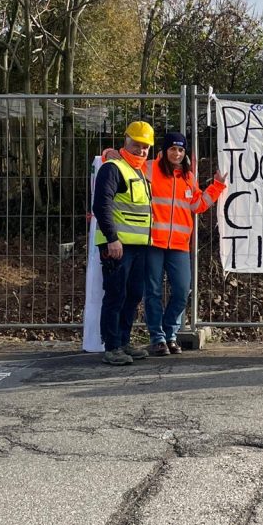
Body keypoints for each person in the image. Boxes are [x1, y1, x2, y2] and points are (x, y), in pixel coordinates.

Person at [106, 131, 226, 356]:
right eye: (173, 148)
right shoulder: (149, 168)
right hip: (153, 242)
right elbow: (123, 165)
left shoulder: (188, 176)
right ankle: (157, 338)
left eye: (181, 150)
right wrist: (107, 154)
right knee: (152, 291)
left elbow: (197, 205)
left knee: (182, 290)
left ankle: (170, 332)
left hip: (179, 245)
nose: (177, 153)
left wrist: (217, 186)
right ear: (164, 150)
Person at [93, 120, 155, 366]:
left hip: (138, 246)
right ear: (126, 141)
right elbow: (101, 205)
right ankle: (112, 346)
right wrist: (112, 239)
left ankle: (124, 340)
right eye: (137, 145)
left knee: (132, 295)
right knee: (116, 294)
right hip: (117, 246)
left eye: (146, 147)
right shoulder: (113, 169)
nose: (141, 151)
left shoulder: (139, 172)